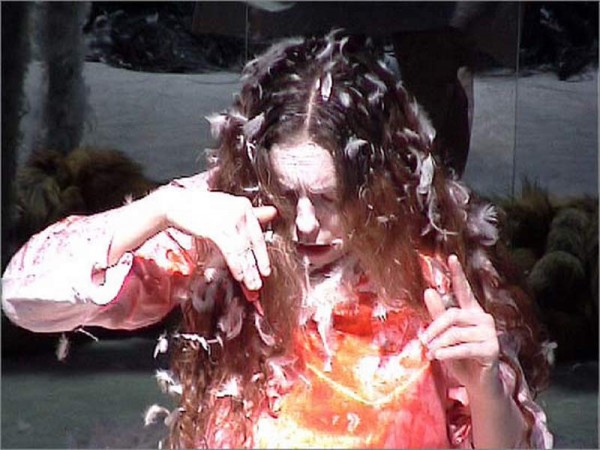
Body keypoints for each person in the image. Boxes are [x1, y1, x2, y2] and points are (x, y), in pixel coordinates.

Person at [2, 32, 552, 449]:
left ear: (379, 188)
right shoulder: (228, 234)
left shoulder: (430, 269)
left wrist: (485, 385)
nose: (306, 223)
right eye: (287, 194)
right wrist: (160, 209)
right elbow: (25, 300)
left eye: (331, 198)